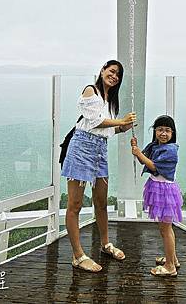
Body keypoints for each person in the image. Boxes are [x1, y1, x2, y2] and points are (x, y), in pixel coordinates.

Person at [62, 60, 137, 272]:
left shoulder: (110, 100)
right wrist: (121, 121)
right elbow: (95, 121)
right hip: (82, 148)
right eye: (111, 71)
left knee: (101, 202)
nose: (114, 76)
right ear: (103, 70)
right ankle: (78, 255)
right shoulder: (91, 91)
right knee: (75, 204)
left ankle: (105, 244)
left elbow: (107, 130)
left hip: (100, 150)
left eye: (118, 75)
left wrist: (124, 128)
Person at [130, 115, 182, 277]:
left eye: (167, 130)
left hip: (165, 191)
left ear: (173, 133)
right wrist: (136, 149)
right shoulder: (154, 146)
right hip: (157, 187)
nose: (163, 134)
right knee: (164, 228)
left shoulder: (171, 150)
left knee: (166, 229)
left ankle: (170, 266)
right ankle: (172, 258)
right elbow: (143, 161)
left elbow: (153, 166)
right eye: (160, 130)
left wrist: (139, 152)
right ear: (155, 131)